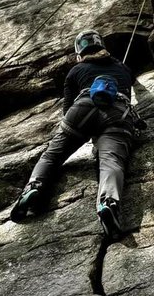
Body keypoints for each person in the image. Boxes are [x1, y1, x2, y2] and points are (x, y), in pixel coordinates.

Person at [10, 29, 140, 240]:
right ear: (103, 48)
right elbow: (132, 83)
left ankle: (33, 187)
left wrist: (77, 130)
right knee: (112, 161)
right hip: (118, 112)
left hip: (82, 107)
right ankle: (108, 202)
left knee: (52, 155)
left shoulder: (75, 71)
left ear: (79, 54)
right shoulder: (122, 67)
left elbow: (67, 108)